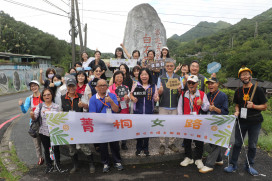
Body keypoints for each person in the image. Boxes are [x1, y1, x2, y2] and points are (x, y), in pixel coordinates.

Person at [224, 67, 267, 176]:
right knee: (237, 143)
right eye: (242, 75)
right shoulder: (238, 91)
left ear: (250, 76)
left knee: (252, 145)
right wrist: (237, 111)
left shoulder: (258, 89)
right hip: (241, 121)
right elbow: (237, 105)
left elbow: (265, 107)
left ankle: (249, 165)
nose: (245, 76)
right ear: (240, 78)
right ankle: (233, 164)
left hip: (255, 121)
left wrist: (254, 106)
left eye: (247, 74)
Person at [89, 79, 123, 173]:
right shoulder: (93, 98)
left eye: (104, 85)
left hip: (112, 125)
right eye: (100, 85)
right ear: (96, 88)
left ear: (107, 86)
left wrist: (111, 102)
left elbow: (116, 110)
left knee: (114, 144)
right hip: (101, 126)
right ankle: (105, 163)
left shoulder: (112, 96)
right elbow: (92, 114)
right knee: (103, 146)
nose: (102, 87)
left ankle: (117, 161)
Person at [60, 78, 94, 174]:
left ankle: (91, 164)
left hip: (79, 126)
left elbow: (87, 107)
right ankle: (75, 165)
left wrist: (83, 105)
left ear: (76, 86)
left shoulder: (80, 96)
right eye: (69, 86)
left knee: (84, 146)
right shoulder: (62, 98)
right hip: (68, 127)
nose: (71, 88)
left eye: (73, 86)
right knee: (71, 148)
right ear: (67, 87)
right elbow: (60, 110)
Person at [177, 75, 210, 170]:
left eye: (193, 83)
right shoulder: (183, 94)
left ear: (197, 84)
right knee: (187, 140)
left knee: (199, 140)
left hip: (198, 121)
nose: (191, 85)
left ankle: (198, 159)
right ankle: (188, 157)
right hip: (187, 121)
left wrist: (202, 103)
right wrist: (180, 119)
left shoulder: (202, 94)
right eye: (189, 83)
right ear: (187, 84)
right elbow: (180, 107)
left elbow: (206, 108)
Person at [30, 88, 65, 173]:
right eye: (44, 95)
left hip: (55, 132)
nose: (47, 96)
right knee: (47, 149)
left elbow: (61, 119)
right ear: (43, 97)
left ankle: (57, 164)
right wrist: (32, 115)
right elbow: (35, 118)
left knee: (56, 149)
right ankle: (49, 165)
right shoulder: (40, 106)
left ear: (52, 95)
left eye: (48, 94)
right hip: (43, 132)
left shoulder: (56, 106)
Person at [199, 77, 229, 173]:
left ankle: (209, 164)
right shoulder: (207, 95)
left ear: (217, 84)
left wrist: (215, 109)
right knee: (211, 142)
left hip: (218, 123)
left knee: (215, 142)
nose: (210, 85)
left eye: (212, 83)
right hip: (208, 122)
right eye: (209, 84)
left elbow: (225, 112)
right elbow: (204, 109)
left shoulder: (223, 95)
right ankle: (219, 159)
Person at [130, 68, 159, 156]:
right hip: (138, 111)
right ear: (139, 76)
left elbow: (156, 97)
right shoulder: (136, 85)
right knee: (138, 130)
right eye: (142, 74)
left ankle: (146, 148)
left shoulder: (153, 86)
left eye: (146, 74)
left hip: (149, 112)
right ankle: (138, 148)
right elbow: (131, 94)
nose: (144, 76)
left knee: (147, 131)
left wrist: (156, 99)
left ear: (149, 76)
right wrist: (133, 98)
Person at [157, 60, 183, 155]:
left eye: (171, 66)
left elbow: (181, 92)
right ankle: (162, 144)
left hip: (175, 105)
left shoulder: (178, 77)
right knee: (162, 125)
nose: (169, 67)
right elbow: (158, 93)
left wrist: (180, 90)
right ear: (165, 67)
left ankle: (171, 143)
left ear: (174, 67)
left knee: (173, 125)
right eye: (167, 66)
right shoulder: (161, 78)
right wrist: (160, 91)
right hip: (163, 105)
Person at [18, 80, 44, 166]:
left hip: (45, 122)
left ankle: (50, 157)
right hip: (34, 125)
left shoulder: (44, 96)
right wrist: (21, 105)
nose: (33, 87)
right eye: (32, 86)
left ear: (38, 86)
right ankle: (40, 158)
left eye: (35, 85)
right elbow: (25, 111)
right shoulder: (29, 98)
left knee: (47, 142)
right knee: (37, 143)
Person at [108, 71, 130, 150]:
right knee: (115, 126)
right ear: (114, 78)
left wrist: (127, 99)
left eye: (121, 77)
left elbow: (128, 101)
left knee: (124, 126)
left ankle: (124, 143)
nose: (119, 79)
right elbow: (108, 100)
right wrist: (115, 100)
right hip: (114, 110)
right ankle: (115, 142)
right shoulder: (110, 88)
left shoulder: (126, 88)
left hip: (124, 109)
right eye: (117, 77)